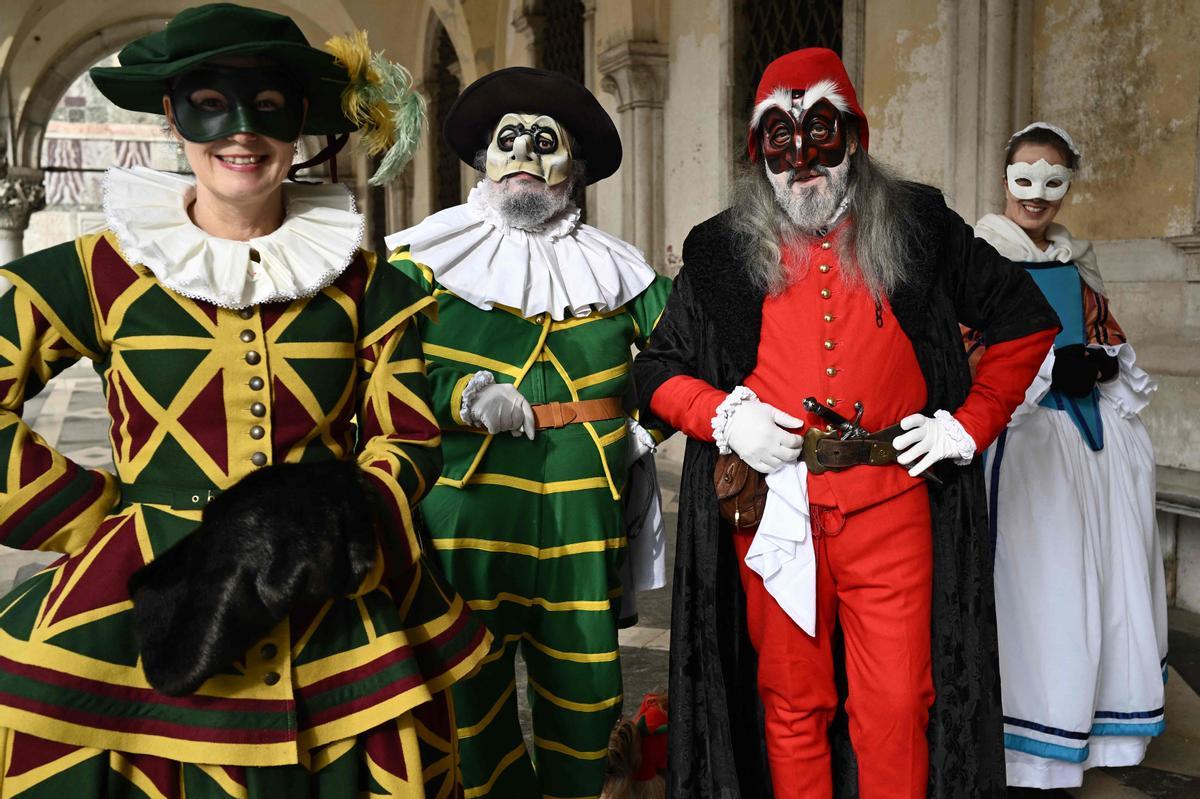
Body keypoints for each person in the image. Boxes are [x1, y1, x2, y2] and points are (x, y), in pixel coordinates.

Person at [0, 5, 489, 795]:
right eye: (210, 103)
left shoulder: (371, 285)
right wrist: (97, 520)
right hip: (154, 595)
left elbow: (409, 439)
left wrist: (339, 513)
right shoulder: (97, 271)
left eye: (267, 108)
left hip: (327, 605)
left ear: (299, 124)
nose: (241, 131)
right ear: (172, 115)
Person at [632, 48, 1061, 798]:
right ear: (757, 154)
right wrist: (725, 416)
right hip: (773, 514)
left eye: (819, 134)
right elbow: (658, 370)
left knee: (897, 703)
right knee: (792, 703)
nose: (801, 160)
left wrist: (969, 423)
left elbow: (1025, 321)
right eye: (779, 140)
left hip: (892, 502)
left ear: (853, 137)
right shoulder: (719, 248)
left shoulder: (920, 223)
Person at [384, 67, 672, 799]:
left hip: (582, 520)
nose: (523, 154)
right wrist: (458, 395)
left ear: (571, 169)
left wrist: (640, 429)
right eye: (508, 139)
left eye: (545, 144)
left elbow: (689, 355)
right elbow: (373, 368)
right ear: (483, 157)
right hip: (465, 515)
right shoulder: (422, 262)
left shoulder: (619, 270)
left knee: (585, 691)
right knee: (468, 694)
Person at [972, 122, 1168, 791]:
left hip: (1086, 448)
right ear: (1005, 179)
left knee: (1099, 586)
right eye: (1025, 177)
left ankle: (1092, 729)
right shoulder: (978, 257)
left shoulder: (1077, 261)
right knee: (1042, 591)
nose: (1038, 194)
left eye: (1053, 179)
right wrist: (1048, 373)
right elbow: (967, 349)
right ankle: (1029, 740)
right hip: (1020, 443)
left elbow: (1106, 334)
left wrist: (1100, 364)